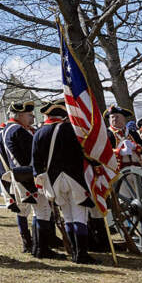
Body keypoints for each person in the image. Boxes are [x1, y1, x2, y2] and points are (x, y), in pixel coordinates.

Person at [32, 104, 96, 263]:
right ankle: (81, 254)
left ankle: (74, 252)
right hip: (74, 179)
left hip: (54, 182)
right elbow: (85, 154)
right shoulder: (72, 130)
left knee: (67, 216)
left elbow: (36, 163)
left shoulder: (39, 133)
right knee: (79, 215)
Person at [0, 101, 48, 258]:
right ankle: (39, 246)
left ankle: (29, 243)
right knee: (39, 210)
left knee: (24, 211)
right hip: (26, 175)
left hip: (15, 175)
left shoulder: (4, 130)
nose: (32, 117)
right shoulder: (18, 130)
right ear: (20, 115)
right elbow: (32, 154)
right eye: (29, 115)